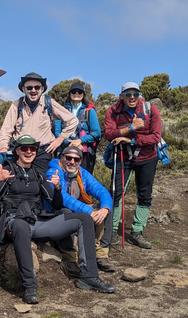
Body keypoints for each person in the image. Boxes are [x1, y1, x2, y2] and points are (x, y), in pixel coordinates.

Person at [0, 135, 115, 304]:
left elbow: (57, 203)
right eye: (24, 148)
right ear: (17, 151)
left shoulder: (39, 174)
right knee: (21, 227)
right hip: (14, 220)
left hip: (38, 221)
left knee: (83, 219)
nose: (29, 152)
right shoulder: (7, 171)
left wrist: (58, 188)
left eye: (32, 149)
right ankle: (30, 287)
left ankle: (89, 276)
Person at [104, 82, 162, 250]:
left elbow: (156, 137)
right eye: (128, 94)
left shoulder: (151, 110)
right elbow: (109, 134)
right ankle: (113, 230)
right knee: (116, 192)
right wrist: (131, 127)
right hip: (123, 156)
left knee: (144, 194)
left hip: (147, 157)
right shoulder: (113, 111)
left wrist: (131, 140)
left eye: (135, 94)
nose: (131, 97)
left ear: (139, 95)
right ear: (121, 96)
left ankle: (137, 231)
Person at [47, 146, 115, 272]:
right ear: (62, 158)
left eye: (76, 159)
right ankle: (70, 258)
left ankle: (101, 254)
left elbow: (101, 191)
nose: (72, 162)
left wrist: (105, 208)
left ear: (80, 161)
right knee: (67, 213)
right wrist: (89, 211)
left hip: (77, 209)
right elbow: (63, 197)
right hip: (55, 211)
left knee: (105, 210)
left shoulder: (82, 173)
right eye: (68, 158)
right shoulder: (54, 171)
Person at [0, 72, 78, 174]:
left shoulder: (49, 103)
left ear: (42, 89)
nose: (33, 90)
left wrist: (60, 139)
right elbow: (6, 129)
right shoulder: (17, 105)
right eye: (29, 87)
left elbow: (73, 120)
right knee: (16, 183)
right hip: (21, 152)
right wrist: (3, 147)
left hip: (42, 153)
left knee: (40, 183)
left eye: (37, 87)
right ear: (24, 89)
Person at [55, 81, 101, 174]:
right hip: (64, 151)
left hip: (84, 153)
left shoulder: (89, 111)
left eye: (79, 92)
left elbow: (97, 133)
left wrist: (80, 141)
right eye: (73, 92)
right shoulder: (61, 110)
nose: (76, 94)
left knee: (83, 181)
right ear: (69, 94)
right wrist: (70, 144)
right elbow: (57, 131)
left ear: (83, 94)